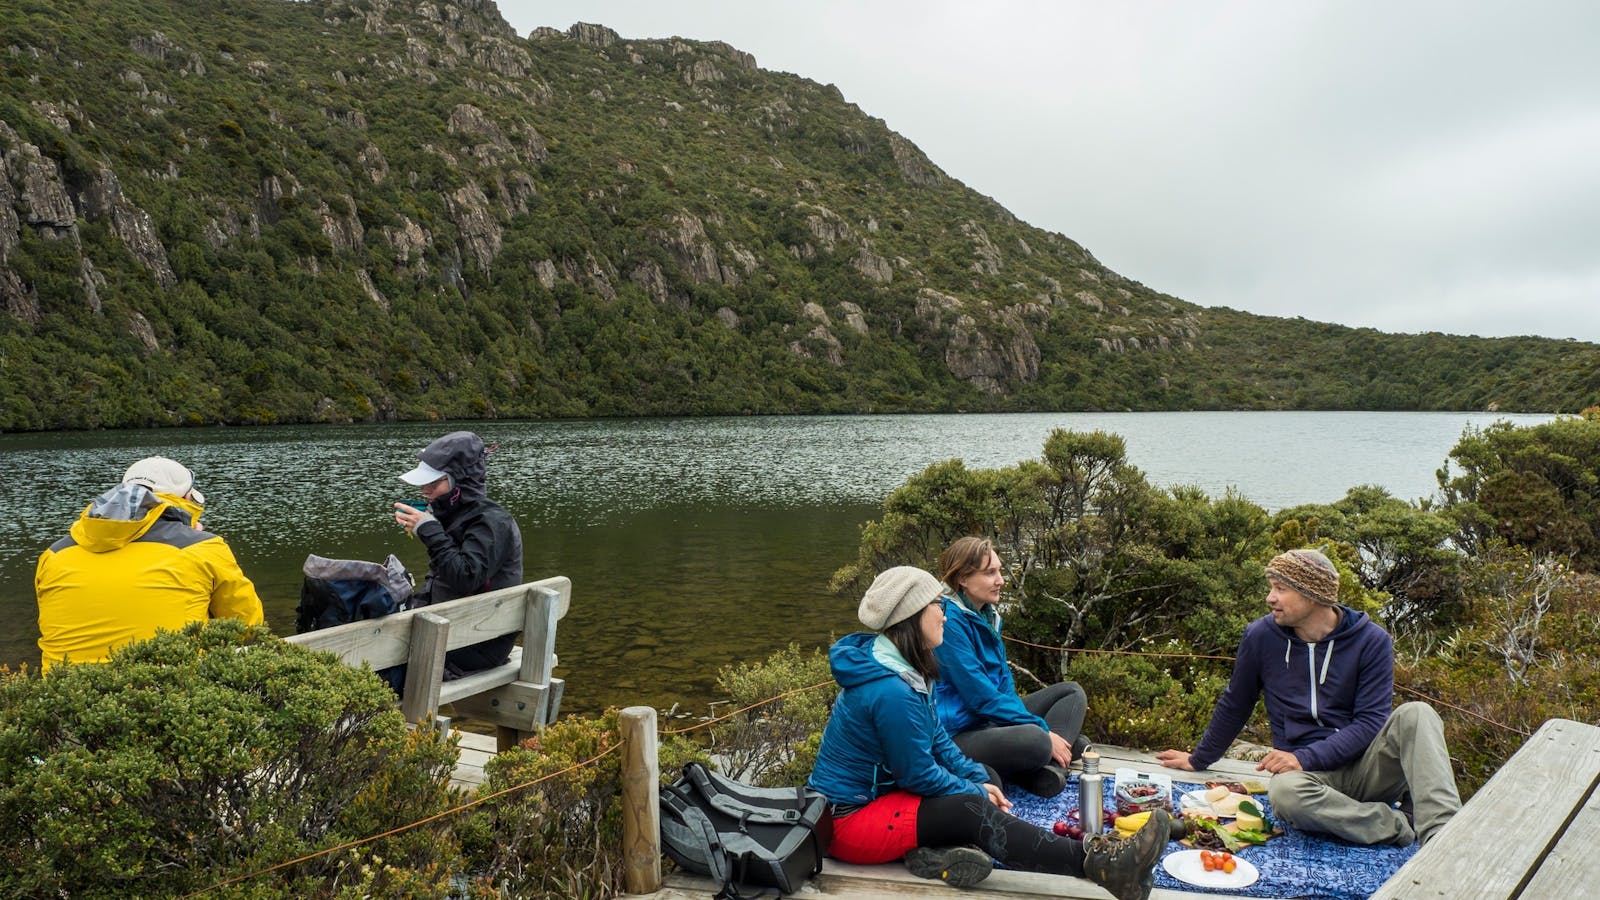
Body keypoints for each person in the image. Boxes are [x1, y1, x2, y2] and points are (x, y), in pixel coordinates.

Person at [807, 565, 1170, 900]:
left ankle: (935, 853)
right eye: (937, 605)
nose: (944, 613)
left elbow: (939, 742)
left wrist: (976, 776)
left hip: (881, 799)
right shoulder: (891, 691)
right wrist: (975, 791)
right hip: (849, 821)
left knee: (985, 780)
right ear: (912, 616)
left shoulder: (905, 669)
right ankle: (1101, 864)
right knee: (971, 808)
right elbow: (917, 775)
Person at [1155, 548, 1461, 847]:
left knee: (1417, 713)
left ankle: (1445, 836)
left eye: (1280, 588)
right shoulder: (1261, 636)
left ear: (1312, 595)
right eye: (1271, 587)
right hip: (1307, 780)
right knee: (1285, 795)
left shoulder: (1371, 641)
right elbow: (1237, 703)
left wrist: (1303, 757)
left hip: (1366, 769)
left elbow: (1370, 722)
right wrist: (1199, 759)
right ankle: (1399, 823)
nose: (1270, 597)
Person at [35, 456, 264, 671]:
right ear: (187, 499)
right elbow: (246, 626)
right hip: (172, 688)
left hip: (65, 690)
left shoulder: (54, 554)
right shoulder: (204, 548)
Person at [934, 536, 1088, 798]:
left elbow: (1004, 686)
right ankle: (1044, 766)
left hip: (988, 721)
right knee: (1042, 741)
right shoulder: (948, 622)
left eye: (999, 571)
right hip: (958, 733)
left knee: (1071, 694)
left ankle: (1043, 769)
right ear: (962, 578)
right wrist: (1042, 731)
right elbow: (980, 698)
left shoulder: (987, 615)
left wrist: (1031, 727)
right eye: (990, 573)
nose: (1001, 580)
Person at [393, 431, 523, 674]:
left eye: (434, 483)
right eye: (423, 483)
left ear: (459, 481)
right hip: (455, 629)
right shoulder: (455, 516)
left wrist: (429, 530)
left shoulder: (492, 521)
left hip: (478, 644)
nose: (425, 490)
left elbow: (465, 577)